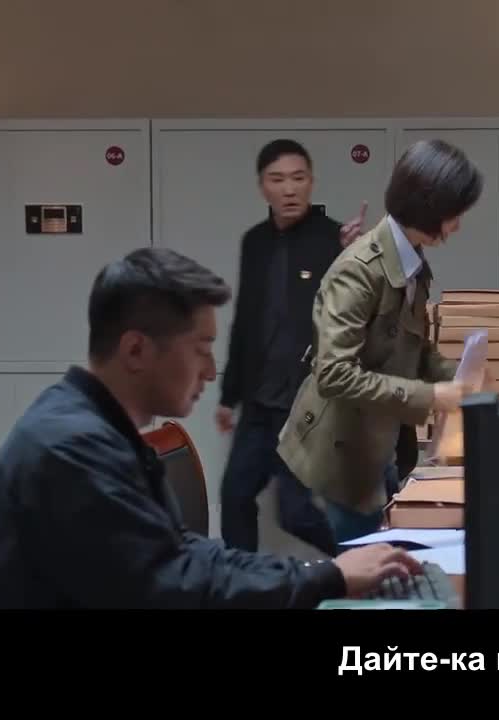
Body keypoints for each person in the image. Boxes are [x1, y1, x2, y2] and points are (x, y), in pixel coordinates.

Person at [0, 247, 421, 609]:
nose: (211, 371)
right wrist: (326, 579)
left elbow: (183, 555)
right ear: (136, 350)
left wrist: (323, 573)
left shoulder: (97, 427)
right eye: (201, 348)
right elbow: (173, 586)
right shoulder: (71, 448)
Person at [277, 139, 484, 543]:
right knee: (365, 562)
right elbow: (334, 374)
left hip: (381, 443)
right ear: (430, 206)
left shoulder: (412, 261)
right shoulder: (358, 271)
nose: (457, 226)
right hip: (342, 456)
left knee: (389, 548)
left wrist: (458, 379)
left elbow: (412, 346)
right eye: (454, 214)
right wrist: (432, 395)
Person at [215, 139, 367, 555]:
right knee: (234, 496)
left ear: (311, 183)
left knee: (295, 512)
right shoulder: (254, 242)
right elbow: (245, 321)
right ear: (262, 186)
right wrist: (228, 396)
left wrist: (355, 256)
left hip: (305, 405)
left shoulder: (333, 239)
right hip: (259, 404)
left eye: (298, 178)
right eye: (277, 179)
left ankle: (361, 562)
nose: (289, 189)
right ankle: (241, 580)